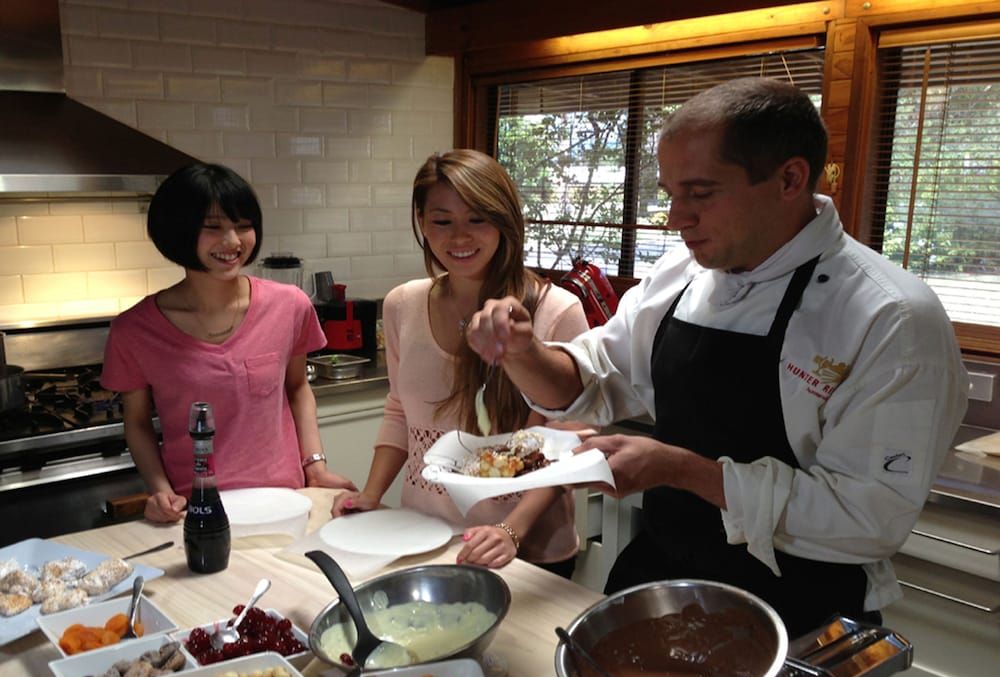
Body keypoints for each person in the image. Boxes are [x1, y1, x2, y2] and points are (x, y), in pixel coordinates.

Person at [466, 78, 968, 636]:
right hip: (661, 582)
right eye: (670, 192)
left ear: (790, 179)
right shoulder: (679, 277)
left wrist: (678, 468)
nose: (675, 217)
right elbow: (594, 381)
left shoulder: (890, 318)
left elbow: (866, 519)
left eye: (700, 193)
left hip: (800, 613)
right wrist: (524, 351)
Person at [331, 149, 590, 577]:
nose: (459, 238)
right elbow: (400, 410)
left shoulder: (555, 311)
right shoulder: (402, 304)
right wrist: (373, 494)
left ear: (505, 220)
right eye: (442, 221)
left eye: (477, 218)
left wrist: (510, 529)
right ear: (421, 223)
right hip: (423, 534)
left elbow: (566, 444)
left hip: (526, 547)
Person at [102, 163, 355, 523]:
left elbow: (297, 388)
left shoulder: (289, 305)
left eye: (243, 225)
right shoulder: (134, 330)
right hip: (197, 510)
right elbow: (138, 422)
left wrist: (315, 465)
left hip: (285, 502)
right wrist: (160, 490)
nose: (233, 242)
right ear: (178, 231)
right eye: (213, 228)